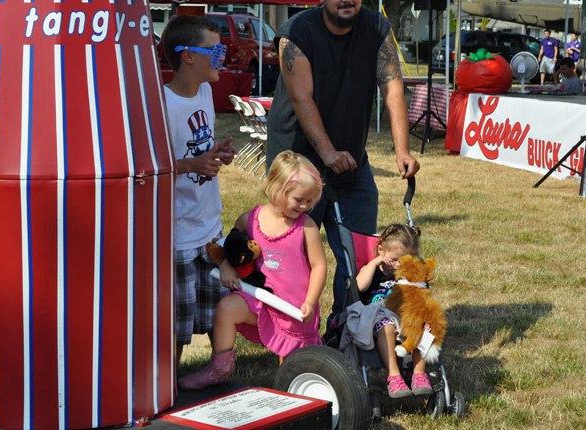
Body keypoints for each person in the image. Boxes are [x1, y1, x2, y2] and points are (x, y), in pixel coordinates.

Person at [265, 0, 420, 322]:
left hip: (351, 166)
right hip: (299, 167)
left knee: (359, 256)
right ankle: (289, 333)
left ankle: (345, 328)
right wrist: (327, 152)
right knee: (290, 258)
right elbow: (300, 96)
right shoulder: (295, 32)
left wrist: (402, 150)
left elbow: (392, 89)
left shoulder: (377, 26)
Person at [179, 150, 327, 390]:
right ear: (277, 189)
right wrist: (225, 265)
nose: (305, 206)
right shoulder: (249, 220)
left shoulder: (306, 226)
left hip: (292, 306)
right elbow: (227, 245)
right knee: (226, 308)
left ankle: (293, 388)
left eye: (310, 201)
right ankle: (219, 369)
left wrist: (311, 301)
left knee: (293, 370)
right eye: (299, 199)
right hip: (259, 299)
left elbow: (319, 265)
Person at [163, 15, 239, 368]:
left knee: (218, 307)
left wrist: (214, 155)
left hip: (209, 225)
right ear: (188, 56)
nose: (222, 56)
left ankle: (220, 372)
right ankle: (168, 383)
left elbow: (198, 148)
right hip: (177, 233)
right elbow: (151, 164)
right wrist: (192, 165)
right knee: (176, 325)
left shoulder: (206, 91)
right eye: (215, 49)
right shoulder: (160, 105)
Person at [355, 224, 431, 398]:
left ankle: (419, 374)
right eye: (395, 259)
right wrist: (375, 262)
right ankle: (394, 375)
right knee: (386, 325)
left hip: (405, 316)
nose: (398, 266)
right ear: (381, 250)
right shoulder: (373, 271)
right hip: (381, 316)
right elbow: (359, 286)